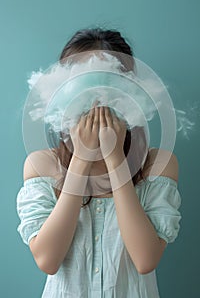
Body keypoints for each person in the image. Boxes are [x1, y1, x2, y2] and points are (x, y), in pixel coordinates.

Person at [16, 27, 182, 297]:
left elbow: (145, 259)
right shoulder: (41, 165)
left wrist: (116, 158)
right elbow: (47, 259)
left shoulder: (158, 164)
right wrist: (81, 158)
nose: (94, 104)